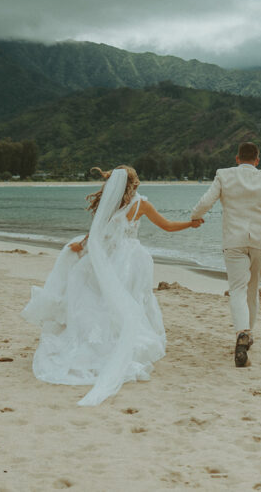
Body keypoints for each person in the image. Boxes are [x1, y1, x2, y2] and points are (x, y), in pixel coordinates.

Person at [21, 165, 202, 406]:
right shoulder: (142, 205)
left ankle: (98, 339)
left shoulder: (109, 203)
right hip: (130, 259)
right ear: (135, 182)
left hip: (106, 256)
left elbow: (96, 232)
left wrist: (83, 246)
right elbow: (167, 226)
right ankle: (119, 341)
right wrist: (191, 224)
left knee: (100, 299)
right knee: (131, 298)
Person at [191, 142, 261, 367]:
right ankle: (247, 335)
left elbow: (205, 201)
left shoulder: (223, 175)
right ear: (257, 160)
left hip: (234, 241)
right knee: (252, 291)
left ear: (237, 158)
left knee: (237, 289)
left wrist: (195, 217)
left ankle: (242, 332)